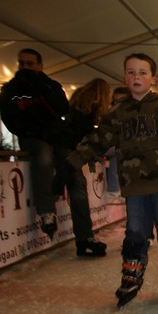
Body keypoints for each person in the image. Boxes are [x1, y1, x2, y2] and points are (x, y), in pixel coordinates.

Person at [65, 53, 158, 307]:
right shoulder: (117, 113)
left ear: (153, 79)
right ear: (125, 78)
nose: (136, 77)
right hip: (135, 186)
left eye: (142, 72)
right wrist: (69, 164)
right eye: (131, 72)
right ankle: (131, 276)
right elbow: (97, 141)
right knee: (136, 232)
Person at [0, 49, 69, 238]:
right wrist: (30, 131)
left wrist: (42, 87)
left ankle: (57, 193)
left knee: (69, 162)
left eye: (30, 64)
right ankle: (47, 211)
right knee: (43, 159)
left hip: (55, 136)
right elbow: (9, 118)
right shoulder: (10, 89)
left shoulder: (50, 85)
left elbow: (63, 108)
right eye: (22, 63)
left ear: (40, 66)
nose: (25, 67)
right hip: (33, 137)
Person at [52, 78, 111, 257]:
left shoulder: (78, 106)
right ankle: (84, 239)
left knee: (77, 188)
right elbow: (91, 140)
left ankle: (84, 238)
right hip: (69, 152)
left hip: (65, 148)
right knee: (78, 190)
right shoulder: (88, 113)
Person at [102, 86, 131, 204]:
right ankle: (113, 189)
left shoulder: (133, 115)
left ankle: (114, 189)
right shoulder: (110, 115)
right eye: (116, 101)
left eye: (122, 100)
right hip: (110, 147)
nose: (118, 103)